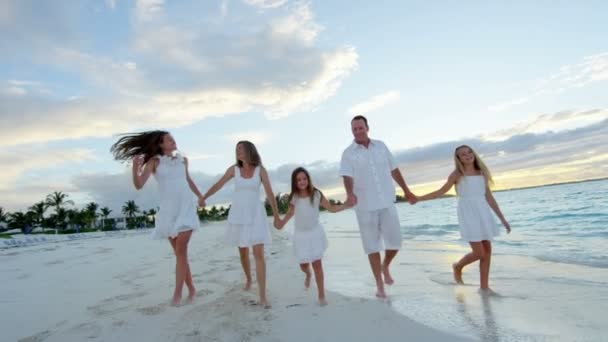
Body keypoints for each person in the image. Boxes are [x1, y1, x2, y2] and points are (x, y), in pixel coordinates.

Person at [111, 131, 204, 306]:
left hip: (186, 208)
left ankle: (177, 294)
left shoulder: (183, 160)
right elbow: (139, 185)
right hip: (168, 212)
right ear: (161, 144)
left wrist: (200, 196)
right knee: (179, 254)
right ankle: (191, 288)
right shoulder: (154, 161)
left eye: (173, 138)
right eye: (169, 139)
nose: (173, 140)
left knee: (181, 250)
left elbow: (188, 180)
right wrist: (135, 168)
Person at [339, 115, 417, 298]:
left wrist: (406, 190)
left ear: (367, 128)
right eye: (354, 129)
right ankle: (379, 286)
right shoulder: (348, 153)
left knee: (396, 241)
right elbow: (346, 176)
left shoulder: (381, 146)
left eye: (360, 128)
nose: (358, 131)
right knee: (372, 247)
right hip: (364, 206)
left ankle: (385, 265)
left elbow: (394, 169)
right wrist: (350, 194)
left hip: (387, 202)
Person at [416, 145, 511, 292]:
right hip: (468, 214)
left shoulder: (482, 173)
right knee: (479, 252)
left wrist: (502, 219)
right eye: (462, 154)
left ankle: (484, 287)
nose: (467, 155)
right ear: (458, 159)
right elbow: (441, 192)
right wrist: (419, 198)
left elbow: (489, 198)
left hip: (483, 212)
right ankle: (458, 266)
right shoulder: (457, 175)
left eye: (469, 152)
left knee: (487, 251)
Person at [201, 141, 279, 308]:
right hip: (239, 214)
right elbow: (218, 184)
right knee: (243, 252)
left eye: (241, 148)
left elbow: (270, 193)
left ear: (249, 150)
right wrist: (204, 197)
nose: (237, 151)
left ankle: (262, 296)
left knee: (259, 254)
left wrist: (277, 216)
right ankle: (249, 279)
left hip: (256, 214)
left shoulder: (260, 170)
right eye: (236, 149)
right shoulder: (233, 170)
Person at [274, 167, 349, 306]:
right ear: (295, 183)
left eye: (304, 178)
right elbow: (290, 213)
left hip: (314, 233)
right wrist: (281, 223)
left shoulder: (316, 194)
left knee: (317, 264)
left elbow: (331, 208)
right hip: (301, 235)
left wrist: (345, 205)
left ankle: (321, 295)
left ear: (308, 179)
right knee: (303, 264)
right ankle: (308, 274)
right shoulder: (294, 197)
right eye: (298, 180)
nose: (302, 182)